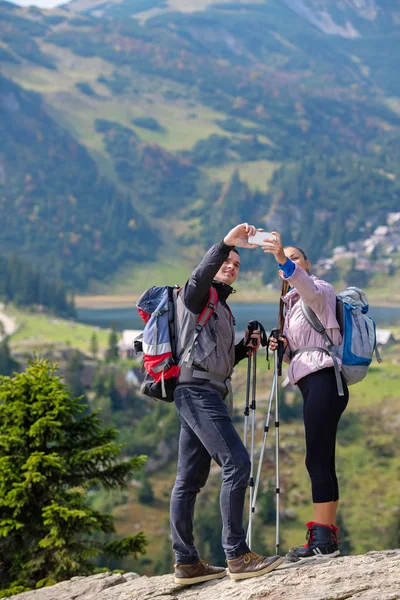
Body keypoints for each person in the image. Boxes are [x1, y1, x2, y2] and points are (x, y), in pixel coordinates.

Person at [170, 223, 284, 585]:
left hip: (203, 390)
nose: (231, 266)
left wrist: (241, 350)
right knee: (237, 463)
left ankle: (187, 563)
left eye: (236, 263)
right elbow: (198, 276)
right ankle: (237, 554)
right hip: (198, 393)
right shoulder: (197, 295)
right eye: (227, 261)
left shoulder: (221, 307)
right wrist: (224, 243)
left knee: (188, 481)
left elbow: (215, 359)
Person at [264, 231, 349, 561]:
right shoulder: (290, 306)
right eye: (286, 260)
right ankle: (327, 536)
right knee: (323, 459)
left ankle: (323, 540)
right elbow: (298, 352)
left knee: (316, 459)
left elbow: (306, 287)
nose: (288, 263)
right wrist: (281, 347)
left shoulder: (319, 290)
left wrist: (283, 261)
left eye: (295, 257)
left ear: (306, 264)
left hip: (325, 380)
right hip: (313, 382)